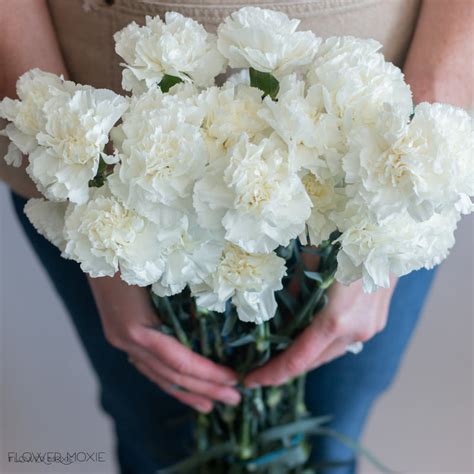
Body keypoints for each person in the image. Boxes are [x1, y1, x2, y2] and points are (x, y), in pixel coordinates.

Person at [0, 1, 472, 473]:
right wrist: (98, 219)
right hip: (97, 113)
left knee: (329, 437)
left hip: (381, 121)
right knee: (158, 432)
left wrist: (414, 156)